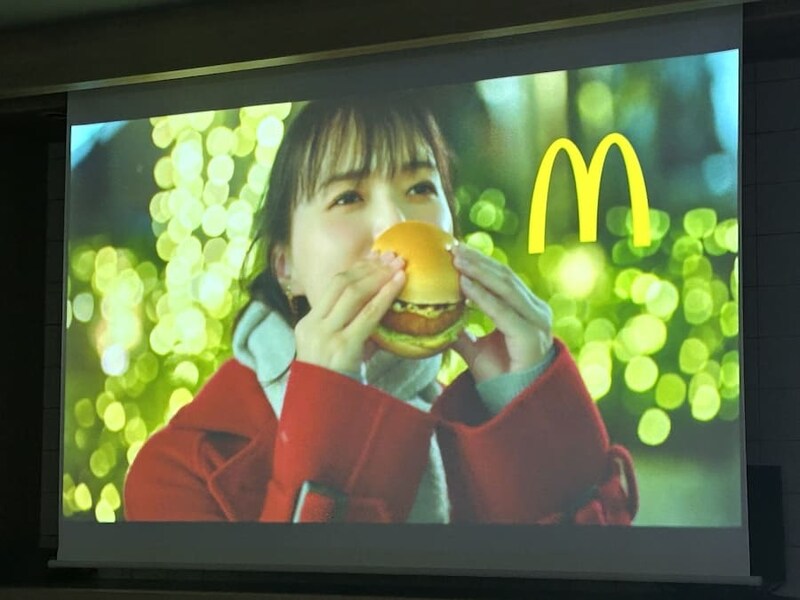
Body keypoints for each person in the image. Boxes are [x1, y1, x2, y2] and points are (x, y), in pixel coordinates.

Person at [124, 95, 637, 524]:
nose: (393, 226)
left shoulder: (482, 418)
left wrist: (529, 404)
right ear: (286, 267)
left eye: (419, 188)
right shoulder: (178, 471)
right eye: (348, 197)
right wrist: (330, 413)